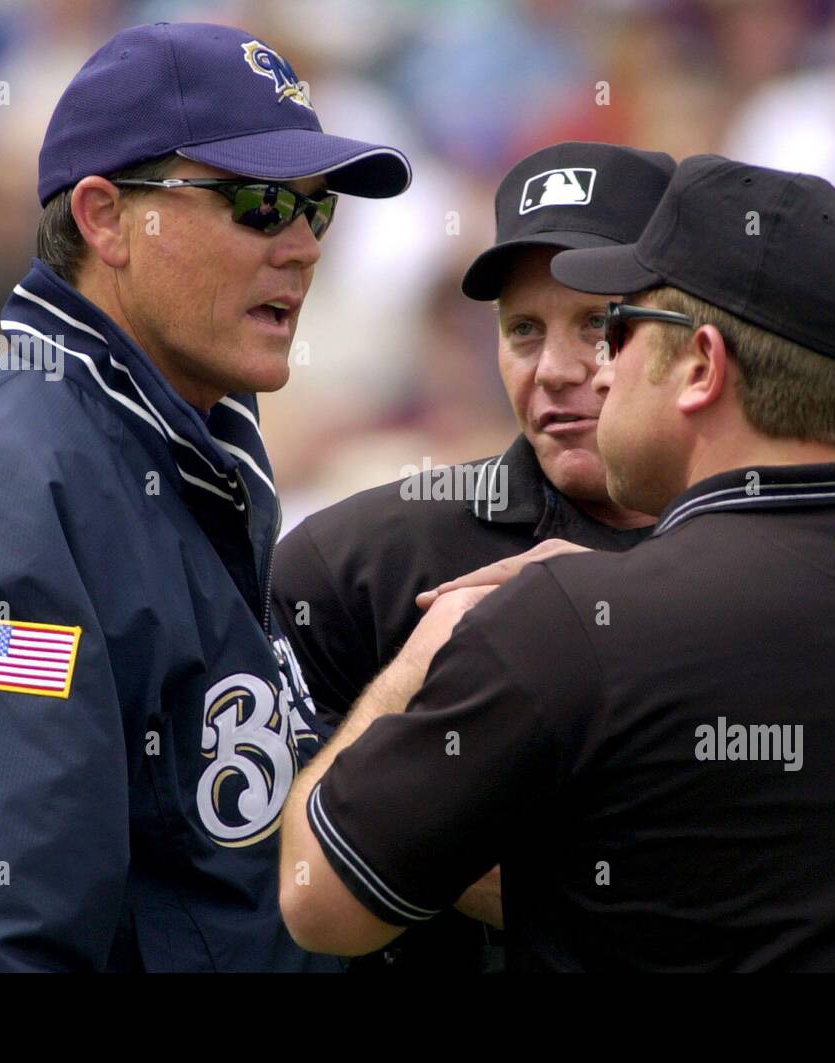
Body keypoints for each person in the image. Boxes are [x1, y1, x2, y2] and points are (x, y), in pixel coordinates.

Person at [277, 155, 835, 971]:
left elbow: (319, 900)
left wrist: (430, 653)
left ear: (701, 364)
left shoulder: (563, 620)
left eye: (616, 329)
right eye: (524, 327)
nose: (594, 367)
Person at [0, 22, 410, 972]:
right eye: (257, 202)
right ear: (104, 217)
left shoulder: (172, 449)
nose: (301, 246)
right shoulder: (0, 499)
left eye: (315, 209)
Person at [272, 141, 675, 970]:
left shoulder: (783, 560)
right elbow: (265, 862)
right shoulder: (358, 564)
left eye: (599, 325)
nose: (556, 370)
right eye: (523, 329)